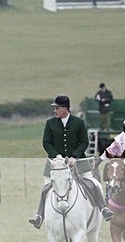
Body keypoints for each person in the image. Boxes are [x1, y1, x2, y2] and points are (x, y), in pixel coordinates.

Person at [29, 95, 113, 228]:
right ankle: (39, 215)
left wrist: (75, 156)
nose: (54, 111)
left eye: (57, 108)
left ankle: (104, 209)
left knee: (93, 184)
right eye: (54, 108)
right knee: (46, 189)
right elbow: (46, 143)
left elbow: (84, 142)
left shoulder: (78, 123)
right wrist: (57, 156)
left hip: (78, 161)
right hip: (55, 164)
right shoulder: (50, 123)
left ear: (65, 109)